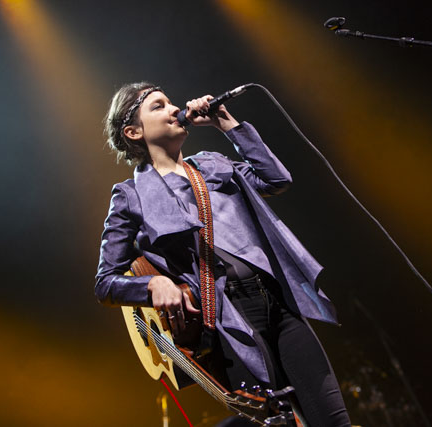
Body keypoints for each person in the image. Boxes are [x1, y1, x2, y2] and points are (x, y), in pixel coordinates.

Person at [95, 82, 351, 426]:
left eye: (171, 102)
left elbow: (276, 179)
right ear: (133, 131)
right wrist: (153, 285)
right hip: (227, 319)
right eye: (158, 106)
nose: (174, 108)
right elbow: (105, 283)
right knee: (276, 421)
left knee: (332, 420)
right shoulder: (129, 197)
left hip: (278, 301)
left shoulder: (213, 164)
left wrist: (228, 126)